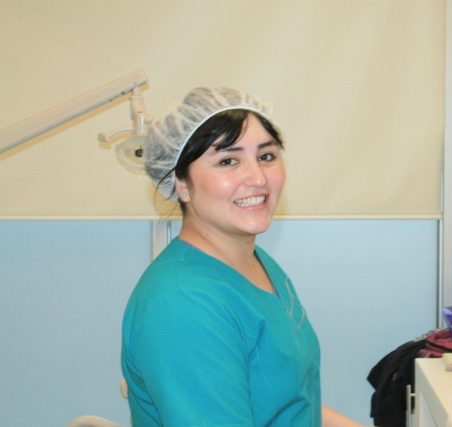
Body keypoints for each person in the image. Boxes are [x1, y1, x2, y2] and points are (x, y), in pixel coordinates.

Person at [121, 86, 372, 427]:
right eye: (228, 161)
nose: (258, 178)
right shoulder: (182, 302)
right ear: (181, 184)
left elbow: (290, 402)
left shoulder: (256, 263)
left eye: (266, 156)